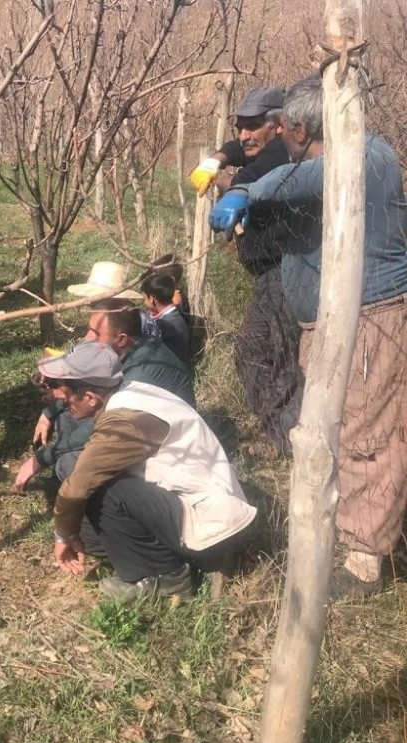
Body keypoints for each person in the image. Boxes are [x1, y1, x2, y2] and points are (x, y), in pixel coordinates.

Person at [210, 74, 407, 599]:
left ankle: (367, 559)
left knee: (367, 436)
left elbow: (306, 180)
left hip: (368, 323)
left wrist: (247, 191)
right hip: (326, 323)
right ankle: (349, 527)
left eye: (281, 128)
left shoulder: (368, 155)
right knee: (340, 431)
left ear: (296, 127)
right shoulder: (314, 158)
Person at [43, 343, 256, 602]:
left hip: (208, 521)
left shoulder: (125, 420)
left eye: (62, 390)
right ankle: (154, 557)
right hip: (189, 503)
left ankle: (167, 576)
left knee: (102, 491)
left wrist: (63, 535)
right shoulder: (129, 392)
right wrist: (71, 529)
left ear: (90, 397)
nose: (57, 396)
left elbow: (77, 485)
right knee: (87, 527)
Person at [193, 86, 302, 457]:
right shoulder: (265, 143)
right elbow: (240, 150)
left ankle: (286, 438)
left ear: (278, 125)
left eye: (252, 126)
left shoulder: (281, 153)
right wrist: (219, 156)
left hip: (285, 270)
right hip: (271, 272)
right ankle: (284, 433)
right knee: (276, 353)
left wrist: (228, 183)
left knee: (260, 352)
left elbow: (252, 174)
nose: (243, 134)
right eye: (239, 126)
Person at [15, 298, 195, 491]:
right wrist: (50, 412)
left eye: (96, 333)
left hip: (162, 447)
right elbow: (82, 387)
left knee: (68, 463)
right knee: (67, 416)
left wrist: (45, 457)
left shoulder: (137, 376)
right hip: (130, 423)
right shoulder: (128, 349)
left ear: (121, 339)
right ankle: (67, 475)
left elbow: (102, 422)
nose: (88, 337)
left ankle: (89, 498)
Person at [140, 274, 190, 365]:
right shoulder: (172, 313)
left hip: (170, 366)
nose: (144, 302)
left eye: (145, 298)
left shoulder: (164, 324)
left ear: (151, 299)